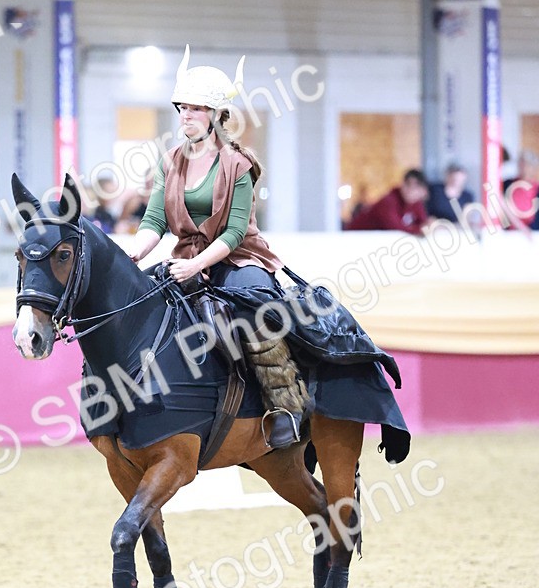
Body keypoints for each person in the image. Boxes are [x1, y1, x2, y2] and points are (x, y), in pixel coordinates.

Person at [125, 47, 410, 463]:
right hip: (184, 256)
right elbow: (154, 220)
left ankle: (284, 408)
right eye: (181, 107)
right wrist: (134, 253)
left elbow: (237, 229)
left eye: (194, 108)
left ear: (216, 115)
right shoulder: (169, 162)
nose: (184, 115)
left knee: (258, 309)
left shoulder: (237, 163)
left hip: (238, 259)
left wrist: (197, 265)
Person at [344, 169, 429, 234]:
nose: (410, 190)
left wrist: (428, 227)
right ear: (402, 184)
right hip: (354, 239)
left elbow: (424, 223)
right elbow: (395, 228)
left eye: (416, 187)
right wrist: (422, 230)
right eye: (408, 184)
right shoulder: (388, 202)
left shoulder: (416, 203)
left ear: (423, 192)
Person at [503, 150, 539, 230]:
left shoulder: (537, 188)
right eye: (520, 164)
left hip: (532, 235)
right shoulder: (507, 184)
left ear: (534, 168)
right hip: (508, 233)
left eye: (527, 165)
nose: (523, 168)